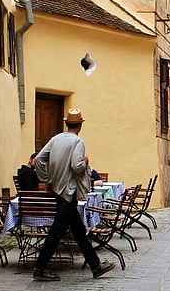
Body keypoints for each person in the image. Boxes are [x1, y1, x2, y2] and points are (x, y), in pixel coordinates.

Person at [31, 108, 116, 281]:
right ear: (80, 125)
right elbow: (76, 166)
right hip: (69, 192)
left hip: (57, 190)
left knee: (78, 230)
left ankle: (95, 266)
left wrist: (47, 179)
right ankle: (40, 268)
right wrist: (85, 162)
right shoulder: (78, 142)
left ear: (67, 123)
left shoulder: (56, 139)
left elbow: (38, 160)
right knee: (56, 231)